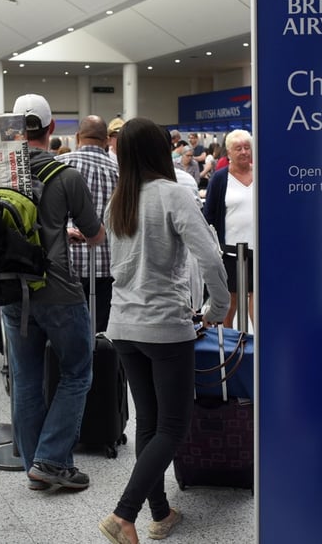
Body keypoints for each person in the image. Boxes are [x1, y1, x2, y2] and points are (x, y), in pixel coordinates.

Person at [97, 117, 230, 544]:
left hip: (123, 324)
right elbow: (209, 257)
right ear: (161, 150)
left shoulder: (117, 201)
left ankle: (160, 513)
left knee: (149, 422)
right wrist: (219, 307)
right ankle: (124, 514)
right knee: (173, 425)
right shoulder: (174, 194)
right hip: (164, 325)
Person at [5, 93, 105, 491]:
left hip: (11, 290)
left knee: (26, 378)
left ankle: (36, 466)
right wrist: (71, 232)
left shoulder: (2, 173)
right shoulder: (65, 175)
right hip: (59, 291)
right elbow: (96, 233)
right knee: (77, 372)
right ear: (51, 128)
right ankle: (49, 461)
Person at [57, 115, 120, 332]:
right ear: (106, 141)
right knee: (102, 335)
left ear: (77, 137)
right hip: (108, 267)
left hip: (65, 266)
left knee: (68, 335)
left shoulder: (58, 166)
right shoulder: (119, 174)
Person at [202, 129, 254, 328]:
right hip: (230, 251)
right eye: (238, 148)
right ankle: (230, 345)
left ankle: (258, 345)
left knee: (256, 296)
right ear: (229, 153)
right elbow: (209, 215)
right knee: (231, 302)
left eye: (247, 147)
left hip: (258, 250)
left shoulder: (261, 173)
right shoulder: (220, 178)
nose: (243, 152)